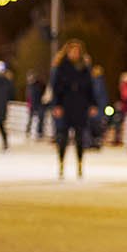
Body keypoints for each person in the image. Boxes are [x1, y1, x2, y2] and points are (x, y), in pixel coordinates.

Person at [49, 39, 99, 179]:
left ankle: (80, 163)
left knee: (80, 137)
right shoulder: (61, 67)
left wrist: (93, 104)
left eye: (77, 51)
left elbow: (90, 88)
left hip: (80, 106)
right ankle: (61, 162)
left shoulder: (84, 68)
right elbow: (56, 88)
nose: (75, 54)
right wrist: (57, 105)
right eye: (72, 51)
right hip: (66, 105)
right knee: (63, 136)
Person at [24, 69, 45, 141]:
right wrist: (29, 105)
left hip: (39, 104)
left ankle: (39, 132)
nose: (30, 78)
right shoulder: (29, 86)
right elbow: (28, 97)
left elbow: (43, 92)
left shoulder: (39, 84)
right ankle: (28, 130)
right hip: (32, 105)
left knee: (41, 118)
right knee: (30, 119)